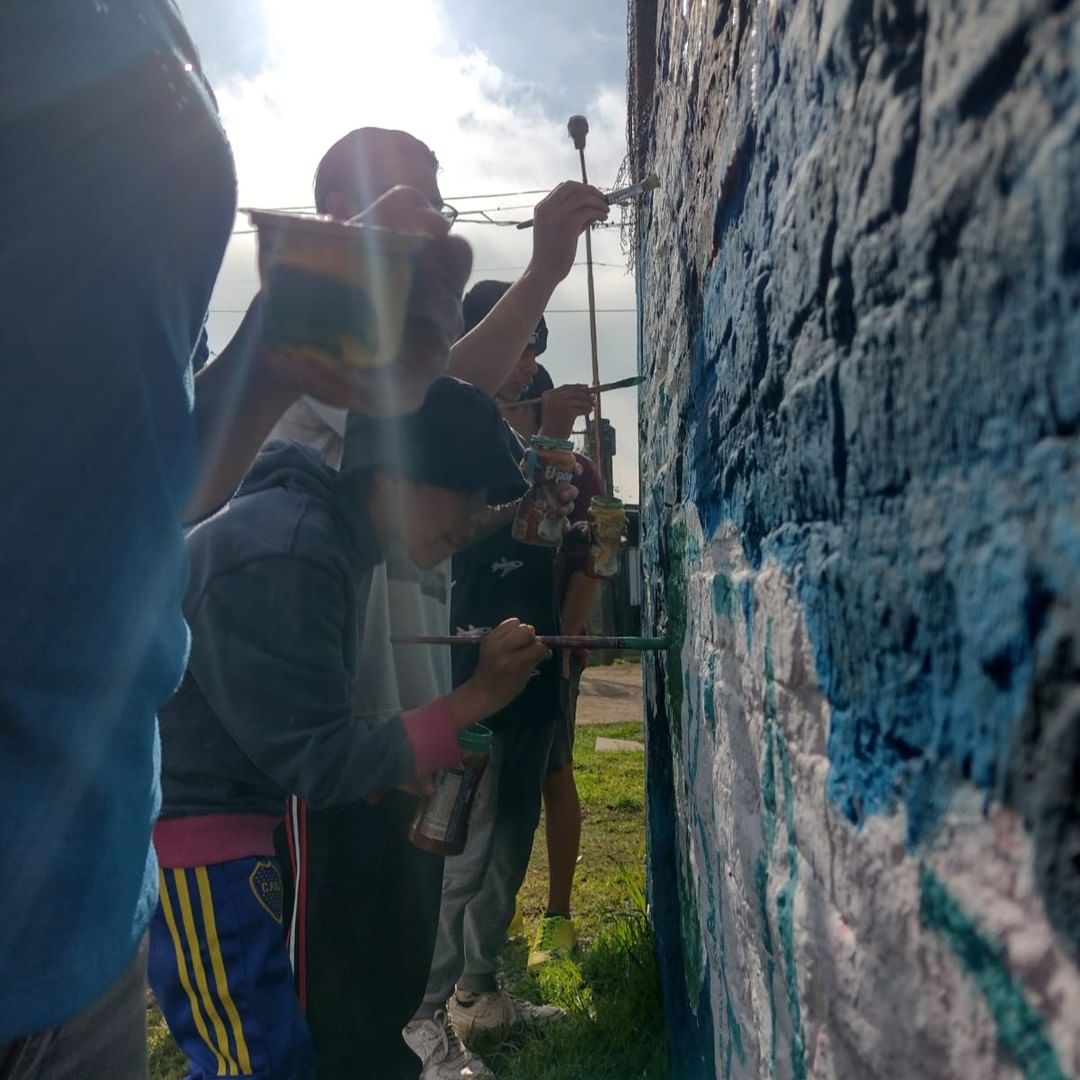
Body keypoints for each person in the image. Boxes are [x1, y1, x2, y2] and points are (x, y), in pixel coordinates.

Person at [0, 11, 470, 1076]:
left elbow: (132, 484)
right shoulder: (292, 539)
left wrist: (278, 348)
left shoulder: (149, 42)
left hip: (90, 898)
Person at [267, 130, 607, 1077]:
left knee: (398, 953)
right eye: (405, 204)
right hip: (334, 764)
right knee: (330, 999)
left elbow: (448, 382)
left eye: (435, 209)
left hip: (409, 735)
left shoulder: (387, 378)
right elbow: (443, 381)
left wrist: (542, 267)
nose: (430, 231)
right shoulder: (305, 353)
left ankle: (425, 1036)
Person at [149, 377, 547, 1080]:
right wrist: (476, 696)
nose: (476, 516)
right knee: (258, 1062)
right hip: (196, 835)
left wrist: (399, 759)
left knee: (258, 1051)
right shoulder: (294, 549)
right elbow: (323, 763)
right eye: (468, 493)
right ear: (395, 477)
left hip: (235, 824)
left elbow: (311, 734)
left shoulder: (330, 531)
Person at [405, 285, 594, 1080]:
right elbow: (529, 522)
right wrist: (553, 437)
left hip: (525, 666)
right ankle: (418, 1017)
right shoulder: (443, 426)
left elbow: (556, 533)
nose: (530, 365)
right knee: (455, 850)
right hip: (462, 672)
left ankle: (477, 990)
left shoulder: (516, 443)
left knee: (506, 840)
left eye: (536, 349)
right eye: (520, 345)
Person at [500, 366, 603, 968]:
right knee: (482, 775)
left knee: (552, 772)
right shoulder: (481, 456)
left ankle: (558, 916)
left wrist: (564, 641)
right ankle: (499, 902)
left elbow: (595, 557)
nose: (510, 417)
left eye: (519, 406)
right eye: (501, 407)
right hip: (478, 640)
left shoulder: (574, 471)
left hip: (549, 643)